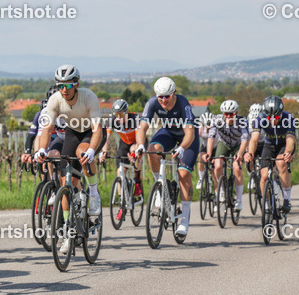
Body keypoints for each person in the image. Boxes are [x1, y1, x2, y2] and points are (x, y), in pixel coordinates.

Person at [33, 65, 104, 257]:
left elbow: (97, 130)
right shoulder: (54, 100)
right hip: (73, 132)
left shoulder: (88, 96)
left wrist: (91, 150)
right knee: (66, 184)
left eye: (68, 85)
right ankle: (68, 233)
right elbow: (47, 129)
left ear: (76, 84)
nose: (64, 90)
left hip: (91, 131)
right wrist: (41, 149)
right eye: (60, 85)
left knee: (82, 153)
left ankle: (94, 194)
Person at [133, 77, 199, 238]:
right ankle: (160, 188)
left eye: (166, 97)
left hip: (187, 136)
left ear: (174, 94)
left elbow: (189, 132)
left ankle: (184, 219)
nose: (163, 100)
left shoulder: (183, 103)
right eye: (160, 96)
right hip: (168, 132)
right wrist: (140, 144)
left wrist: (182, 148)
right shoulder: (152, 102)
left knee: (183, 174)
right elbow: (142, 128)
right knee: (152, 150)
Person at [244, 96, 296, 214]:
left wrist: (287, 153)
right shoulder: (260, 119)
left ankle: (287, 200)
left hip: (284, 145)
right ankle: (267, 204)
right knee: (263, 176)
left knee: (280, 163)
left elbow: (290, 139)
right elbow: (254, 139)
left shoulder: (289, 118)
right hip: (269, 145)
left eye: (276, 117)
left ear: (281, 113)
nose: (273, 120)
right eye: (269, 118)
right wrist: (250, 153)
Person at [103, 99, 143, 222]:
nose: (118, 117)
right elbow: (107, 138)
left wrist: (134, 153)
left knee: (135, 154)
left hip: (136, 143)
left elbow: (138, 139)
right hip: (124, 144)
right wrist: (103, 151)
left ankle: (137, 177)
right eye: (116, 114)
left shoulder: (135, 119)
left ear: (127, 112)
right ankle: (122, 202)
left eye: (121, 114)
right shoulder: (112, 120)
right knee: (120, 171)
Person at [206, 100, 249, 211]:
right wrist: (209, 153)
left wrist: (239, 154)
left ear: (236, 113)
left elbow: (245, 140)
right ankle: (220, 191)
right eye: (226, 114)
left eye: (231, 114)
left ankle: (239, 201)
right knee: (218, 165)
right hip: (223, 143)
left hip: (237, 145)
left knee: (237, 168)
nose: (229, 116)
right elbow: (211, 137)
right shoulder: (217, 119)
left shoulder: (242, 121)